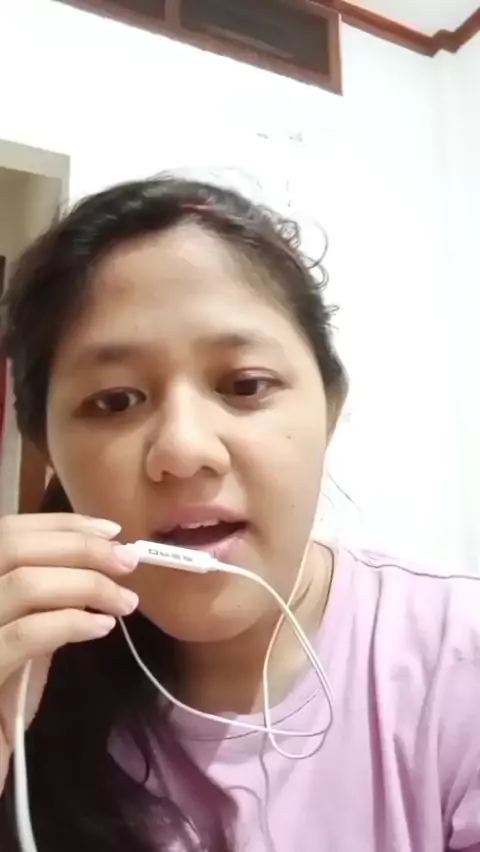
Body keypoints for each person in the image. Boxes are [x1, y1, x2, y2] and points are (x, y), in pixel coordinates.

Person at [0, 175, 479, 852]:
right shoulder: (26, 683)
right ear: (49, 452)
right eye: (114, 401)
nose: (184, 451)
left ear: (329, 410)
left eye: (245, 385)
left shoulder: (459, 661)